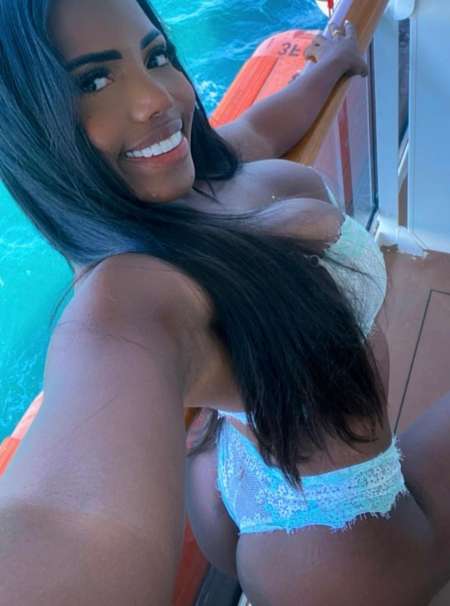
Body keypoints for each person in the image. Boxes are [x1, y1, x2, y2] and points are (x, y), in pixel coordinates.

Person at [0, 0, 449, 604]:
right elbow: (61, 519)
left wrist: (331, 63)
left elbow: (261, 129)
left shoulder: (192, 178)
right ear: (28, 128)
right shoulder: (126, 296)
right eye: (94, 81)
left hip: (255, 483)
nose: (158, 98)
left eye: (155, 56)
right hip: (342, 544)